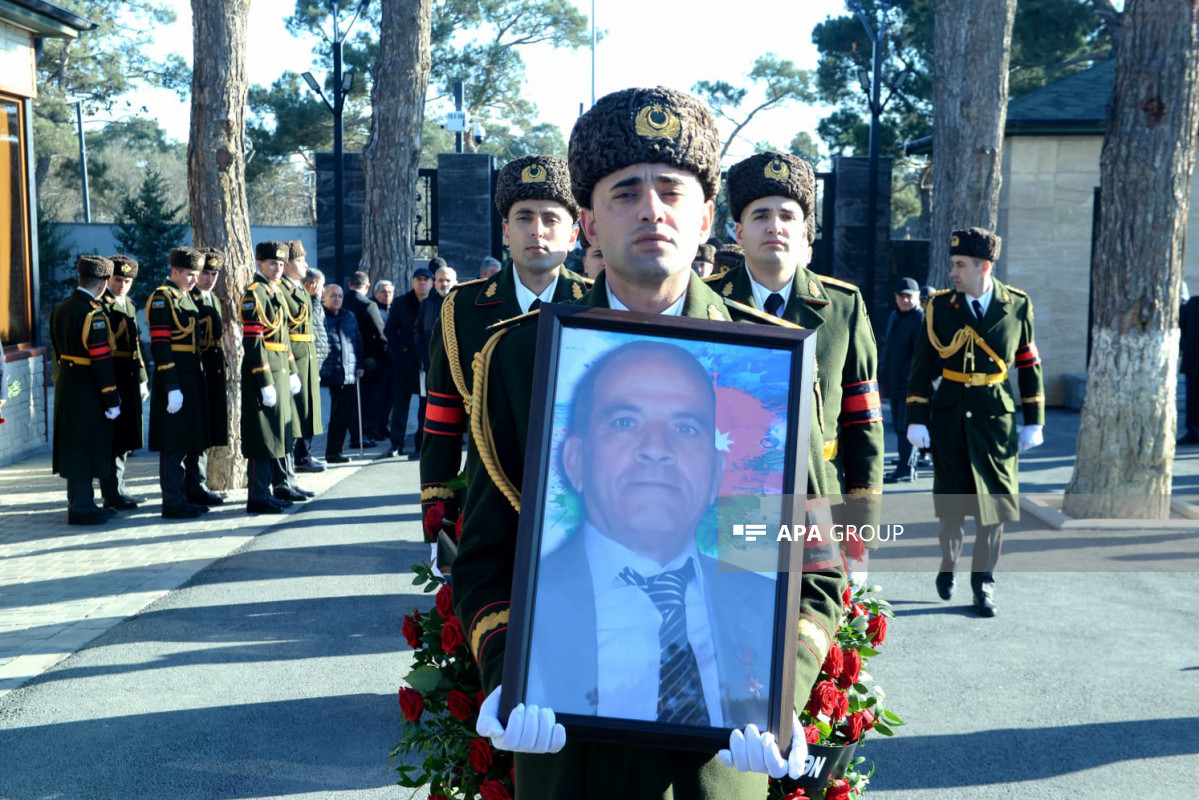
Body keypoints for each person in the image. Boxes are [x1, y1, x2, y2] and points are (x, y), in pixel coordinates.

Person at [454, 87, 844, 798]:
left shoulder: (769, 363)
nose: (650, 209)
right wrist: (510, 673)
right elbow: (486, 551)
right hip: (570, 750)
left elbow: (810, 562)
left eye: (671, 190)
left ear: (703, 220)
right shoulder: (518, 358)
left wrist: (775, 693)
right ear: (588, 225)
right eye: (624, 192)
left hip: (722, 758)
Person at [530, 341, 775, 730]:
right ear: (574, 460)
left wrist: (778, 712)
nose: (657, 449)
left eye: (685, 428)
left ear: (715, 474)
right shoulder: (528, 602)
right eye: (625, 422)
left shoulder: (764, 602)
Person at [713, 151, 883, 547]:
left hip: (820, 496)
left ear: (805, 232)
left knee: (816, 608)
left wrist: (862, 523)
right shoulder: (708, 303)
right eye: (761, 216)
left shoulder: (843, 305)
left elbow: (864, 419)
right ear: (738, 232)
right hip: (733, 499)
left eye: (788, 216)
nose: (775, 226)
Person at [420, 154, 590, 545]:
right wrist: (440, 520)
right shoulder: (462, 309)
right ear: (505, 231)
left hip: (578, 512)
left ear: (573, 235)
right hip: (487, 510)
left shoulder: (593, 306)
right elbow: (443, 421)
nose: (537, 231)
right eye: (524, 218)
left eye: (551, 219)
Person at [906, 227, 1045, 617]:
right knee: (952, 508)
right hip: (950, 416)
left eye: (961, 265)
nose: (953, 271)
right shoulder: (939, 307)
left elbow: (1030, 365)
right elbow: (920, 368)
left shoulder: (1016, 304)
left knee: (994, 509)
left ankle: (983, 583)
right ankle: (948, 564)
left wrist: (1034, 420)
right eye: (953, 264)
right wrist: (916, 418)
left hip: (995, 419)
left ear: (984, 267)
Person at [50, 255, 121, 525]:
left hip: (68, 382)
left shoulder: (62, 308)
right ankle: (81, 507)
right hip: (88, 386)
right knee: (85, 444)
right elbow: (101, 360)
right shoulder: (94, 313)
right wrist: (111, 396)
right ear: (103, 284)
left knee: (73, 442)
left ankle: (83, 502)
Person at [147, 247, 214, 519]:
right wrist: (171, 385)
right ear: (174, 272)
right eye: (189, 274)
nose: (194, 279)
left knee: (188, 439)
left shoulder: (185, 298)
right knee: (173, 443)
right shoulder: (164, 298)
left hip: (191, 376)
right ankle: (172, 502)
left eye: (196, 274)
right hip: (173, 377)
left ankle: (189, 492)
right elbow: (161, 345)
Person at [241, 241, 301, 514]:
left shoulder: (274, 292)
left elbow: (284, 338)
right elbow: (254, 343)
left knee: (276, 432)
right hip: (262, 370)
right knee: (262, 434)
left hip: (279, 368)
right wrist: (265, 381)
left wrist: (292, 371)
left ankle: (270, 490)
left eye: (280, 263)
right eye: (272, 263)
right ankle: (257, 495)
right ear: (260, 264)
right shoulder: (255, 293)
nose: (277, 268)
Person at [99, 254, 149, 510]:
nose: (122, 285)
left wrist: (142, 378)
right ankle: (111, 493)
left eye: (127, 281)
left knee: (126, 435)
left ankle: (118, 488)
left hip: (129, 374)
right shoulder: (102, 304)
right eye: (118, 279)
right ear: (108, 278)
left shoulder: (128, 305)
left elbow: (136, 345)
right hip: (113, 374)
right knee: (113, 437)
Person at [280, 240, 325, 481]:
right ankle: (292, 464)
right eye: (300, 261)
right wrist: (292, 367)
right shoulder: (282, 290)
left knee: (306, 411)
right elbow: (283, 331)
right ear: (286, 264)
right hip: (293, 356)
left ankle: (302, 457)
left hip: (306, 355)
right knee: (294, 415)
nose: (305, 264)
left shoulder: (298, 289)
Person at [190, 247, 228, 505]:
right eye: (205, 273)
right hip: (196, 368)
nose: (209, 278)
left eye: (213, 273)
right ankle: (192, 485)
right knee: (195, 432)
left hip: (212, 369)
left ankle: (199, 484)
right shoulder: (189, 297)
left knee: (206, 431)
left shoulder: (212, 298)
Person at [384, 266, 433, 458]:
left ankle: (421, 443)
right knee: (400, 405)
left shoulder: (434, 303)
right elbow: (389, 330)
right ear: (413, 282)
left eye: (426, 279)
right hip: (405, 363)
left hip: (426, 362)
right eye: (418, 280)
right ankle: (396, 444)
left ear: (431, 282)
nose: (422, 283)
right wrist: (402, 348)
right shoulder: (401, 302)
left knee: (425, 404)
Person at [880, 277, 925, 483]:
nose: (905, 300)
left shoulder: (920, 319)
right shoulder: (894, 317)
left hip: (910, 386)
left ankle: (906, 468)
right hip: (894, 384)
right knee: (900, 428)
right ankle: (906, 465)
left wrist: (908, 376)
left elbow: (921, 355)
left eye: (909, 296)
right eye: (901, 296)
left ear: (917, 297)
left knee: (907, 428)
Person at [320, 283, 364, 463]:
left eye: (339, 296)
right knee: (328, 415)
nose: (337, 299)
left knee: (342, 415)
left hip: (348, 372)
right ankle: (316, 453)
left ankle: (334, 452)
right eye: (333, 295)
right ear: (324, 297)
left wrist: (359, 365)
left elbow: (357, 342)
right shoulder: (321, 316)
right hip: (328, 371)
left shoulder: (349, 316)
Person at [344, 270, 387, 445]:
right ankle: (360, 435)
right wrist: (383, 353)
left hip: (345, 357)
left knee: (348, 400)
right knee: (365, 400)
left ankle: (353, 434)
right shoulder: (368, 305)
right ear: (368, 286)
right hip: (367, 359)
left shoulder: (341, 300)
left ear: (349, 285)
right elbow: (380, 333)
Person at [1179, 290, 1199, 444]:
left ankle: (1193, 431)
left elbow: (1182, 331)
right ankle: (1193, 431)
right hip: (1193, 360)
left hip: (1193, 359)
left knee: (1193, 398)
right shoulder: (1192, 304)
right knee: (1192, 398)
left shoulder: (1192, 304)